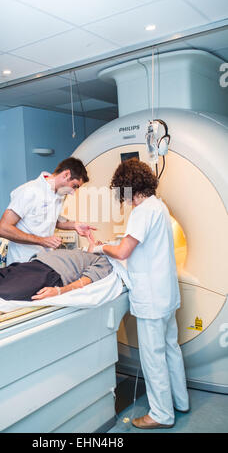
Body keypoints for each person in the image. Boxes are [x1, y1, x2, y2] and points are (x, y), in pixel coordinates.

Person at [90, 158, 189, 429]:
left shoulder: (142, 211)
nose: (124, 199)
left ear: (128, 187)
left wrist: (99, 248)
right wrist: (113, 244)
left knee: (153, 357)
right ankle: (180, 402)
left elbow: (123, 252)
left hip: (152, 299)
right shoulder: (160, 206)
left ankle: (161, 415)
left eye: (122, 192)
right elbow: (138, 245)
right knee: (170, 349)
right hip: (167, 296)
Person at [0, 235, 112, 330]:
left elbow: (85, 282)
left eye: (103, 244)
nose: (98, 243)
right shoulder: (79, 252)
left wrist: (59, 291)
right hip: (25, 266)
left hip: (45, 275)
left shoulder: (103, 261)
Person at [0, 157, 96, 265]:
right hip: (22, 263)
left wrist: (74, 225)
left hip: (43, 260)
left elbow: (52, 220)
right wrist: (42, 241)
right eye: (74, 186)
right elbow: (3, 228)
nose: (73, 192)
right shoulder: (30, 191)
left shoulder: (58, 195)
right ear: (66, 174)